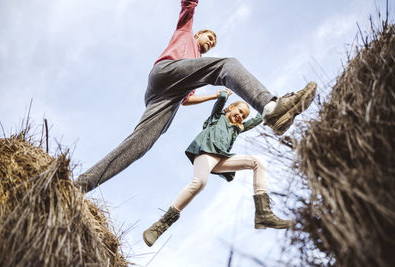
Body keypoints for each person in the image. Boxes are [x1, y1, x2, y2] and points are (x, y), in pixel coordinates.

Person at [74, 0, 317, 193]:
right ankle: (271, 107)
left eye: (213, 42)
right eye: (209, 37)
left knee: (140, 144)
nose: (210, 43)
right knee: (227, 65)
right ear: (199, 34)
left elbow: (187, 99)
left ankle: (81, 185)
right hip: (164, 73)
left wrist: (213, 98)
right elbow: (188, 4)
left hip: (169, 98)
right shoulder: (185, 32)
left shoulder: (197, 67)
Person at [143, 90, 294, 247]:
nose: (241, 116)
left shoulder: (238, 128)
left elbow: (259, 118)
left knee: (258, 162)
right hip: (206, 151)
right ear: (230, 108)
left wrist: (277, 103)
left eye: (244, 116)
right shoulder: (217, 117)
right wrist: (223, 94)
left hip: (222, 159)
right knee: (200, 182)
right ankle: (160, 225)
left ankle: (263, 213)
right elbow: (220, 101)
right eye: (240, 111)